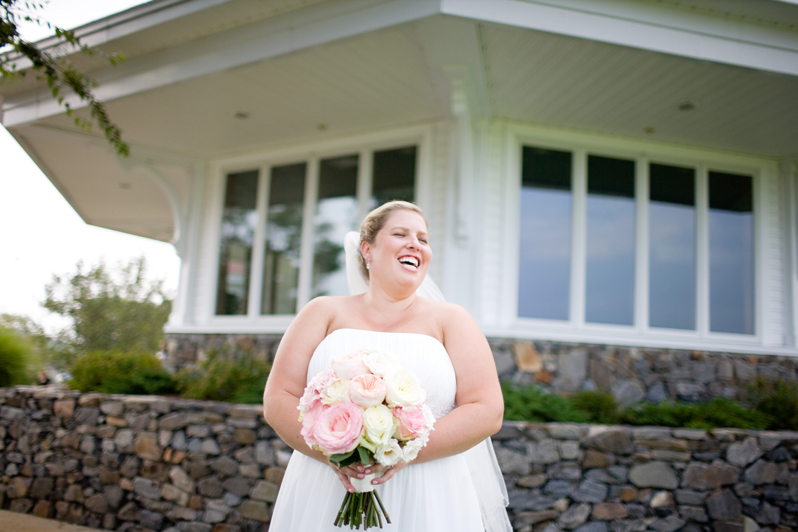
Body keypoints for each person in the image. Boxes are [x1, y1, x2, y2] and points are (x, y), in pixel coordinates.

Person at [263, 200, 510, 531]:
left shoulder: (452, 320)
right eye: (401, 234)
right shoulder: (322, 312)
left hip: (429, 491)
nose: (416, 244)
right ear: (368, 249)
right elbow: (279, 396)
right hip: (325, 484)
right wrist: (336, 454)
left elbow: (487, 409)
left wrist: (397, 454)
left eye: (423, 239)